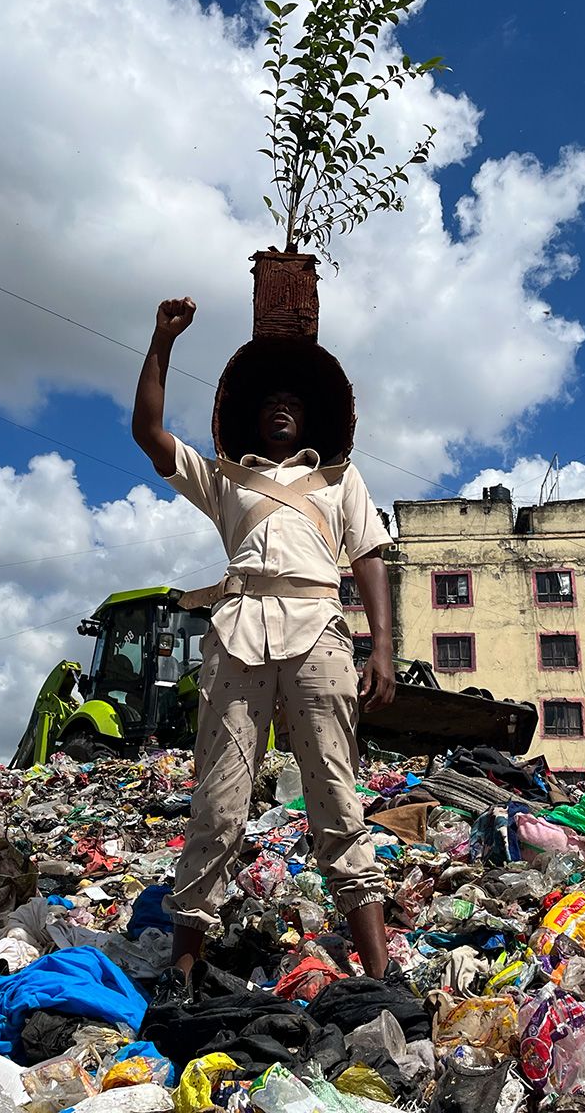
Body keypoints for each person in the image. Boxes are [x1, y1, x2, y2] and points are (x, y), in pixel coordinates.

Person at [132, 296, 396, 995]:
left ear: (308, 419)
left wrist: (383, 649)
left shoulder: (341, 480)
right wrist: (162, 341)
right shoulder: (225, 480)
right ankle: (184, 963)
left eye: (293, 402)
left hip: (319, 629)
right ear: (253, 418)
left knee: (336, 798)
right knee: (219, 801)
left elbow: (369, 557)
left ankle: (378, 970)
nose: (281, 407)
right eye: (269, 401)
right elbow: (148, 431)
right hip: (238, 628)